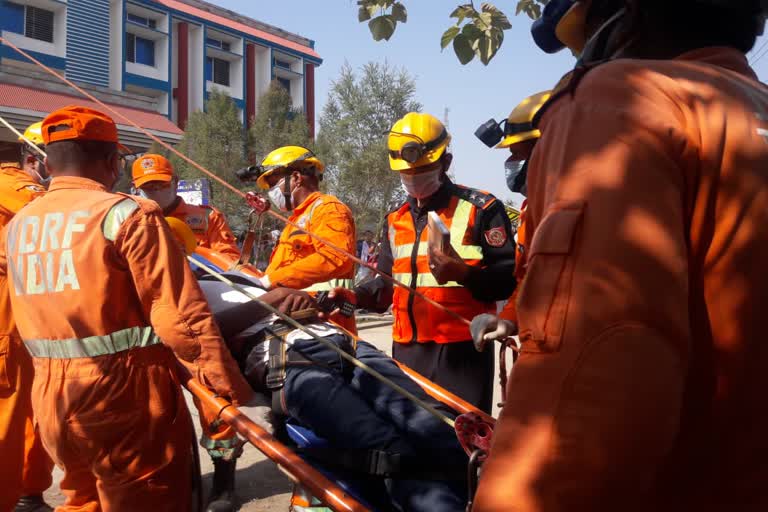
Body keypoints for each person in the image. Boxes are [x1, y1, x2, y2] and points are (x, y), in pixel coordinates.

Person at [473, 1, 768, 510]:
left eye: (582, 39)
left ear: (625, 17)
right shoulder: (746, 110)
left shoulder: (625, 102)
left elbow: (593, 390)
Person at [0, 105, 253, 511]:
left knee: (82, 497)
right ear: (112, 161)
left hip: (51, 399)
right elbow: (181, 319)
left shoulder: (17, 226)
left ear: (47, 161)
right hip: (122, 396)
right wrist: (227, 390)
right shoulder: (128, 216)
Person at [197, 272, 469, 512]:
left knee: (433, 424)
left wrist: (303, 299)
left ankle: (486, 493)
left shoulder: (242, 276)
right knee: (384, 450)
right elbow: (196, 334)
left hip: (341, 343)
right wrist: (276, 298)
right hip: (286, 359)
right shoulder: (185, 289)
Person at [336, 113, 517, 413]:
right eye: (405, 173)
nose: (412, 177)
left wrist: (463, 274)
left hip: (462, 351)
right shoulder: (395, 219)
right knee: (414, 440)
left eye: (422, 169)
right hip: (407, 350)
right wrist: (354, 296)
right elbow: (384, 287)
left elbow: (507, 281)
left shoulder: (481, 209)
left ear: (446, 163)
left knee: (463, 444)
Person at [0, 122, 54, 512]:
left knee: (36, 411)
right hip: (10, 327)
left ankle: (29, 491)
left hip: (28, 325)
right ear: (34, 159)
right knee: (10, 416)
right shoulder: (14, 184)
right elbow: (55, 219)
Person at [254, 145, 357, 334]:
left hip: (328, 324)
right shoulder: (296, 220)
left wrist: (271, 281)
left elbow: (336, 257)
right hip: (301, 322)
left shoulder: (328, 209)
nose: (271, 191)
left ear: (296, 178)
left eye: (274, 183)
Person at [131, 153, 241, 261]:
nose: (156, 189)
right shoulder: (130, 222)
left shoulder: (208, 217)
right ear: (136, 189)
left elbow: (232, 261)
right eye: (148, 186)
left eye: (162, 184)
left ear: (175, 182)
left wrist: (193, 253)